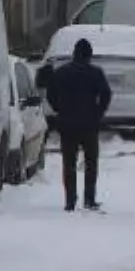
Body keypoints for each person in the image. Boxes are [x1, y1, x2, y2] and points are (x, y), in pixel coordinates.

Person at [46, 38, 112, 212]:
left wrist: (59, 108)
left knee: (69, 163)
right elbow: (106, 94)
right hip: (89, 123)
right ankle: (89, 199)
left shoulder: (61, 73)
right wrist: (98, 113)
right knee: (91, 162)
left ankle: (70, 200)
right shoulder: (95, 73)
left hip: (67, 122)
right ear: (89, 55)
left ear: (74, 53)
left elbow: (50, 94)